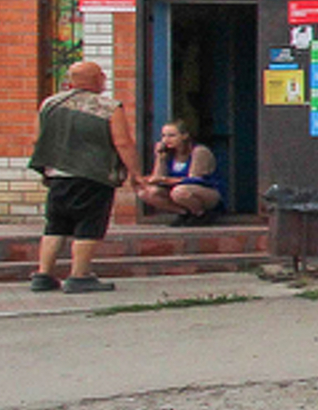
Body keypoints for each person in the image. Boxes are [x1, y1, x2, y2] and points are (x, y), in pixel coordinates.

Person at [27, 59, 142, 294]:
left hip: (58, 175)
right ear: (95, 80)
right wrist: (136, 173)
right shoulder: (108, 108)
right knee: (89, 225)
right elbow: (122, 142)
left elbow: (37, 139)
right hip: (93, 176)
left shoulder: (49, 104)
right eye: (101, 75)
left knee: (55, 226)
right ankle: (79, 276)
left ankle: (43, 274)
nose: (104, 79)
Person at [139, 120, 224, 218]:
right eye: (163, 136)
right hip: (177, 190)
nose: (166, 140)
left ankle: (200, 214)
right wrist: (160, 158)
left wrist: (165, 180)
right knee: (146, 192)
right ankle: (183, 213)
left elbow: (195, 180)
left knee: (179, 192)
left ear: (184, 136)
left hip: (205, 192)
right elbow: (158, 177)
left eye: (171, 136)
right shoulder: (169, 154)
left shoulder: (199, 152)